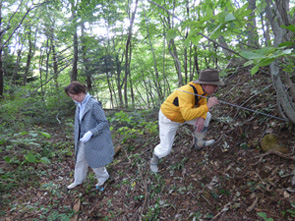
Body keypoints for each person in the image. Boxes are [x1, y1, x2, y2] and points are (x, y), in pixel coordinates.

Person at [150, 68, 224, 173]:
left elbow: (202, 104)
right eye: (215, 85)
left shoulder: (203, 91)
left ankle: (199, 143)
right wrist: (208, 106)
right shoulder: (186, 91)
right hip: (169, 118)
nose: (216, 88)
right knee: (165, 149)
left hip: (184, 115)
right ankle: (154, 161)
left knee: (207, 116)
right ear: (205, 84)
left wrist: (202, 117)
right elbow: (188, 115)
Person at [64, 81, 114, 190]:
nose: (73, 99)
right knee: (80, 160)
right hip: (83, 139)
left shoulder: (93, 104)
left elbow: (104, 123)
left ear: (80, 92)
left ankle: (103, 178)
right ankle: (78, 181)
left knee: (96, 162)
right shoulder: (79, 104)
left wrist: (91, 132)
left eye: (73, 96)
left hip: (95, 138)